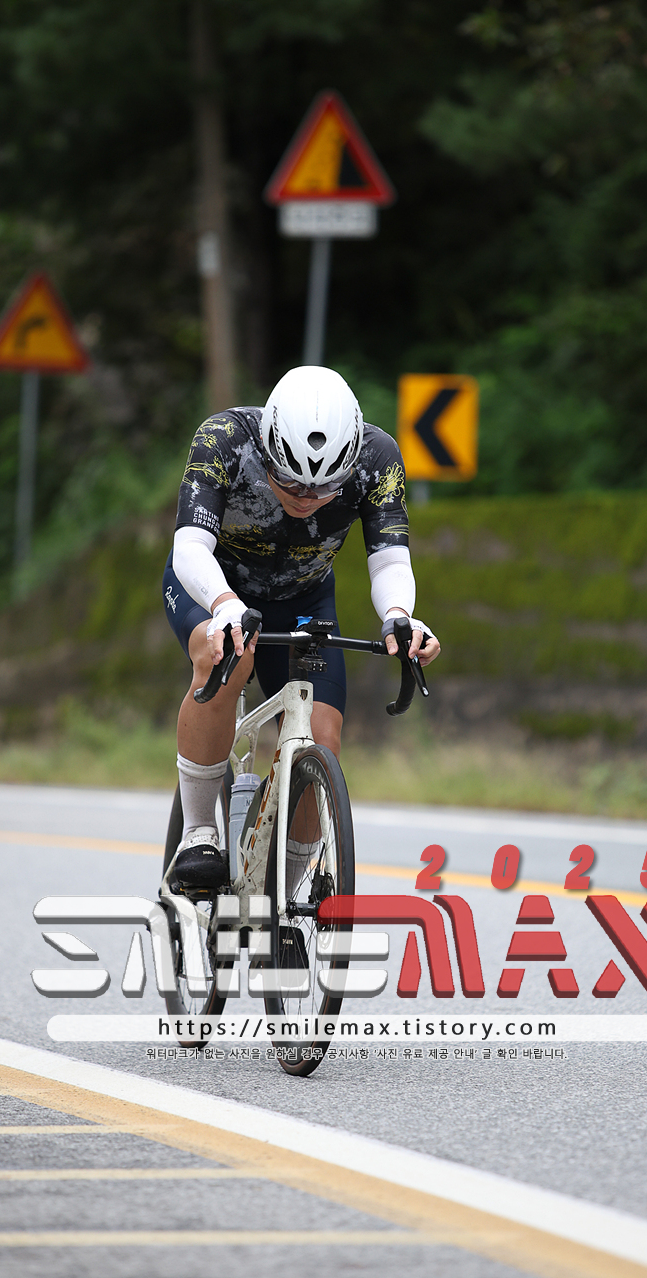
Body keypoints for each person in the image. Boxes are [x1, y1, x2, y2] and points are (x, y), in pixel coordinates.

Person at [161, 365, 441, 887]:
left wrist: (399, 617)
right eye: (288, 481)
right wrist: (224, 603)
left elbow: (389, 560)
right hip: (212, 584)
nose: (305, 498)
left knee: (324, 738)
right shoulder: (223, 439)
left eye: (325, 488)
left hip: (304, 598)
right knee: (225, 656)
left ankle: (283, 892)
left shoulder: (378, 458)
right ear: (268, 446)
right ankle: (197, 834)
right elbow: (190, 546)